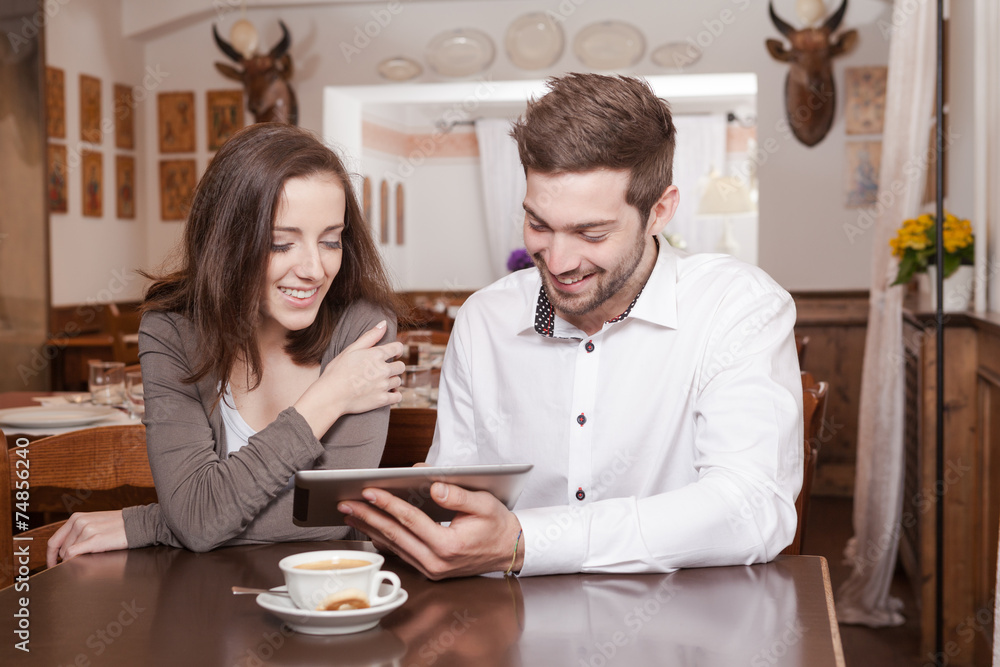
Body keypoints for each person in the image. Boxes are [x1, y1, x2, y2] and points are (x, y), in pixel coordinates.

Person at [339, 73, 802, 579]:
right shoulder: (483, 319)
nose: (558, 262)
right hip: (507, 615)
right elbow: (457, 496)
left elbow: (752, 508)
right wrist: (420, 517)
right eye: (538, 224)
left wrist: (526, 541)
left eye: (591, 232)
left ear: (659, 211)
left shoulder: (736, 306)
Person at [48, 123, 406, 565]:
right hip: (205, 598)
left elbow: (330, 517)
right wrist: (329, 397)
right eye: (281, 244)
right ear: (228, 241)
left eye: (331, 240)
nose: (314, 269)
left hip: (327, 593)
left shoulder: (364, 329)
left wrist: (158, 523)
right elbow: (196, 519)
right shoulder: (172, 330)